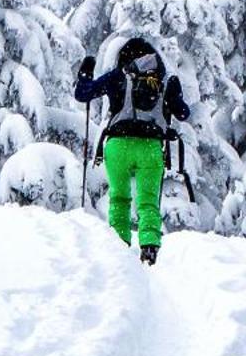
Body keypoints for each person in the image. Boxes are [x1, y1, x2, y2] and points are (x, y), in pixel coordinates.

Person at [74, 36, 190, 264]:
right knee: (147, 201)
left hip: (118, 145)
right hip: (150, 147)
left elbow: (83, 94)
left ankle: (119, 247)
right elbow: (184, 113)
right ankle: (149, 248)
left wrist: (85, 72)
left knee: (119, 198)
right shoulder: (166, 80)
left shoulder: (118, 76)